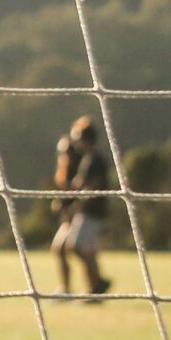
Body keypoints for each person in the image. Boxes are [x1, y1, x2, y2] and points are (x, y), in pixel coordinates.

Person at [51, 115, 116, 299]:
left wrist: (74, 205)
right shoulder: (87, 159)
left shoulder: (95, 159)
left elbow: (90, 188)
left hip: (91, 212)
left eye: (77, 137)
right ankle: (94, 285)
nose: (75, 141)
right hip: (84, 211)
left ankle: (97, 284)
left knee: (79, 248)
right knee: (70, 247)